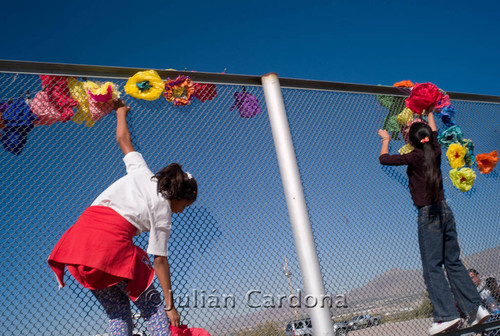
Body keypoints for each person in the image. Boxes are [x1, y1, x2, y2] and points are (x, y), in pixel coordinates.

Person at [48, 100, 197, 336]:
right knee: (154, 309)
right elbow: (159, 260)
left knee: (118, 313)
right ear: (179, 196)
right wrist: (171, 307)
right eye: (186, 205)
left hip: (79, 245)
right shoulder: (163, 210)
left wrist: (120, 112)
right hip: (108, 247)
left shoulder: (142, 172)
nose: (182, 211)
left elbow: (123, 140)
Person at [378, 110, 490, 335]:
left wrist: (386, 140)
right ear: (428, 136)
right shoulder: (436, 149)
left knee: (432, 267)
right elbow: (435, 132)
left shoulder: (414, 156)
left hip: (428, 215)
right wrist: (429, 112)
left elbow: (384, 159)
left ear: (412, 141)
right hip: (445, 211)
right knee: (454, 263)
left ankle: (446, 316)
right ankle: (476, 308)